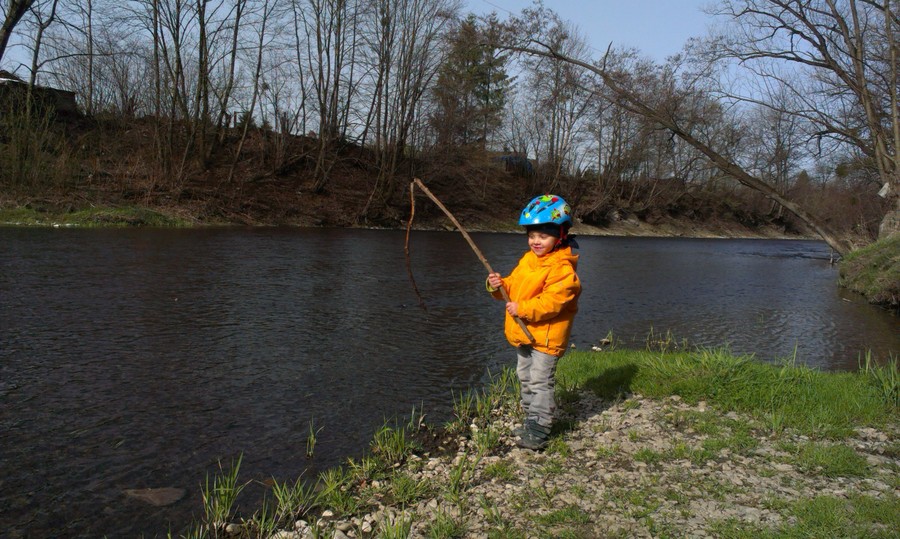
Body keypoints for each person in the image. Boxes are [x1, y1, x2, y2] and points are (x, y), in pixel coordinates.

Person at [486, 194, 581, 450]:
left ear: (560, 235)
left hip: (546, 338)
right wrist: (498, 285)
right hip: (524, 333)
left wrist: (523, 308)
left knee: (540, 380)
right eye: (532, 235)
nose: (535, 241)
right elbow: (514, 287)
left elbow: (553, 303)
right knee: (525, 376)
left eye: (543, 236)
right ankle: (531, 420)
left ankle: (540, 428)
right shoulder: (529, 259)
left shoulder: (562, 269)